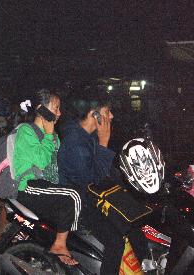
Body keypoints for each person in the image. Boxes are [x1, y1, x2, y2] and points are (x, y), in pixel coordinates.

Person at [58, 93, 148, 274]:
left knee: (137, 225)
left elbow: (109, 172)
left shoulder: (87, 136)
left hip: (95, 197)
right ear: (94, 115)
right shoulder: (75, 142)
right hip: (81, 204)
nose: (112, 116)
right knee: (116, 240)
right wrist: (104, 142)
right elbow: (92, 181)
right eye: (108, 111)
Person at [9, 89, 81, 266]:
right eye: (55, 108)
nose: (59, 113)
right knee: (73, 195)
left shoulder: (54, 137)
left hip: (45, 187)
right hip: (27, 187)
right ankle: (59, 245)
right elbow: (41, 161)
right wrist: (49, 135)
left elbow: (57, 167)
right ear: (42, 109)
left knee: (80, 196)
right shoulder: (26, 131)